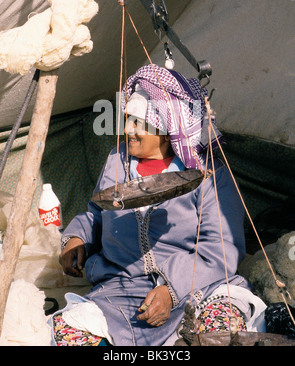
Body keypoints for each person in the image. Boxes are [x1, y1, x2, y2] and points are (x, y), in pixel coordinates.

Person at [52, 64, 266, 346]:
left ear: (168, 131)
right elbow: (97, 215)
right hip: (123, 289)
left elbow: (223, 248)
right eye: (127, 119)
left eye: (139, 123)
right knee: (68, 332)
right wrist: (77, 238)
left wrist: (171, 289)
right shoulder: (118, 162)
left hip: (197, 286)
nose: (128, 129)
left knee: (220, 330)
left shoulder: (208, 172)